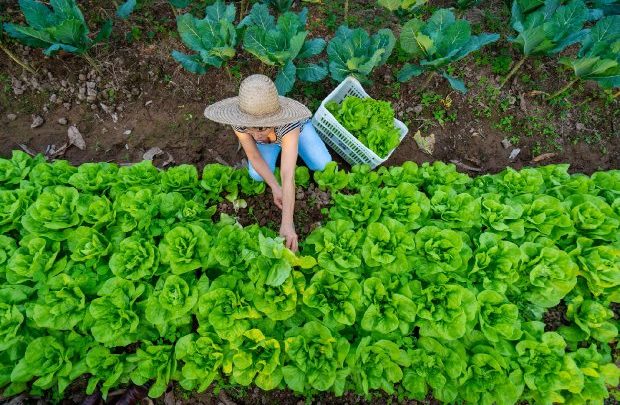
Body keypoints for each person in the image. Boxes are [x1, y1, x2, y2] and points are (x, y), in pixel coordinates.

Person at [204, 74, 332, 252]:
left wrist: (287, 223)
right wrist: (274, 186)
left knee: (323, 165)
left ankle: (295, 148)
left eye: (262, 127)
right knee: (256, 174)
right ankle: (284, 152)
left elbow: (288, 176)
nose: (255, 135)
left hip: (294, 134)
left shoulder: (289, 123)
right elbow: (253, 156)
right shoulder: (241, 122)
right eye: (251, 128)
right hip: (269, 143)